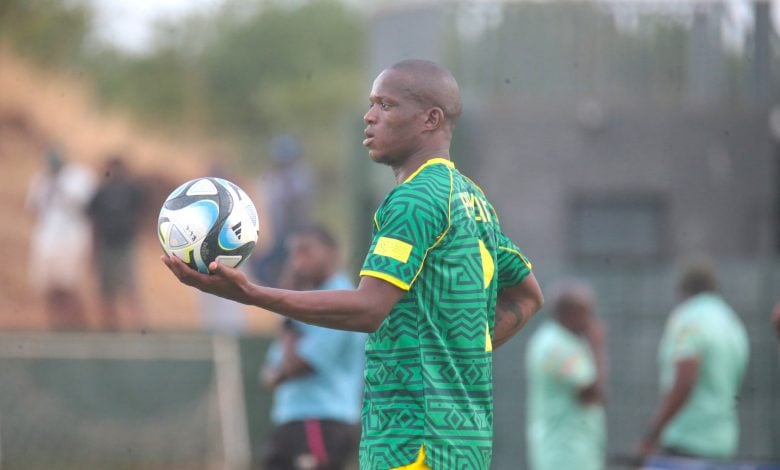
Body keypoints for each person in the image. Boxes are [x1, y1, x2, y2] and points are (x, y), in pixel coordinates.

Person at [162, 59, 544, 470]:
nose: (370, 115)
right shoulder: (474, 201)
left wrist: (252, 294)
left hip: (413, 444)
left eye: (386, 105)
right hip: (463, 442)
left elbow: (369, 309)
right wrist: (455, 354)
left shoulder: (415, 199)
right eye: (371, 104)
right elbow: (528, 296)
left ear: (431, 119)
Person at [261, 226, 366, 470]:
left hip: (320, 420)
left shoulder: (340, 299)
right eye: (294, 253)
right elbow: (268, 376)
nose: (297, 261)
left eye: (306, 251)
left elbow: (297, 366)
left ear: (332, 253)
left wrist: (286, 321)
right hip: (293, 420)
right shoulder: (308, 303)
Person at [637, 259, 749, 462]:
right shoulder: (732, 322)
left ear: (682, 289)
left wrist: (652, 434)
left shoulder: (687, 319)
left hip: (687, 440)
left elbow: (685, 378)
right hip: (723, 441)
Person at [525, 280, 607, 470]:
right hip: (565, 451)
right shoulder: (556, 346)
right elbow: (592, 393)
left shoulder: (567, 341)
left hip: (575, 448)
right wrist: (598, 346)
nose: (591, 320)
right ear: (570, 313)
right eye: (588, 312)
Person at [26, 145, 96, 329]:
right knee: (49, 288)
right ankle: (56, 327)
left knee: (70, 286)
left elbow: (85, 204)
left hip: (72, 238)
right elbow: (32, 208)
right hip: (46, 240)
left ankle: (77, 327)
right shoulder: (41, 180)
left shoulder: (78, 176)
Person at [87, 155, 146, 330]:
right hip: (107, 245)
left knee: (130, 288)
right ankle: (110, 328)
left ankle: (139, 328)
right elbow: (93, 222)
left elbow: (142, 213)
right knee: (107, 291)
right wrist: (93, 250)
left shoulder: (132, 190)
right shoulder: (101, 192)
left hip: (125, 245)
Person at [251, 135, 314, 287]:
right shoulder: (272, 178)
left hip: (297, 232)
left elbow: (296, 204)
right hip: (277, 236)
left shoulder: (300, 176)